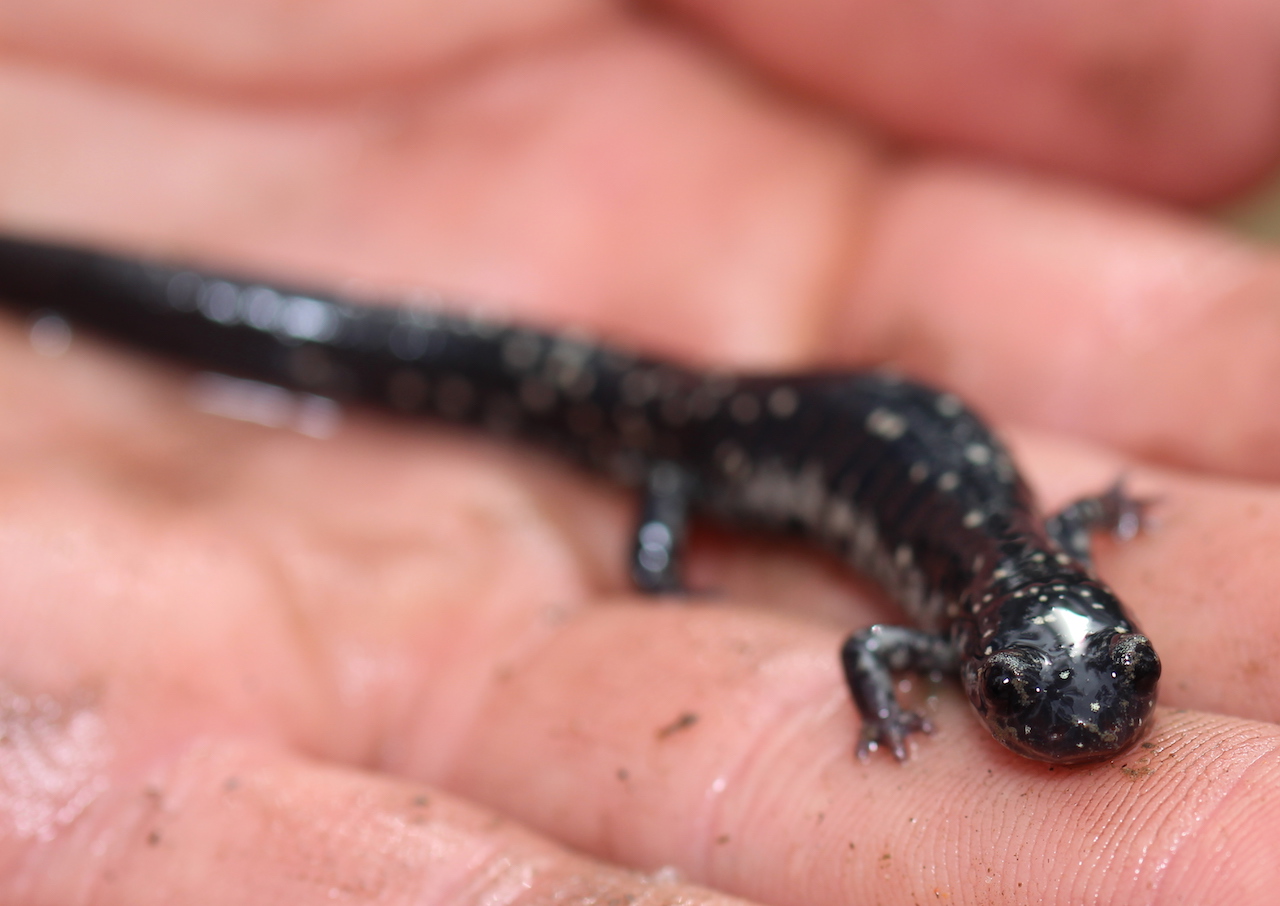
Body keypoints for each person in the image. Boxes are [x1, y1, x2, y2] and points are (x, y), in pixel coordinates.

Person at [1, 1, 1278, 902]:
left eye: (1121, 672)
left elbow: (874, 638)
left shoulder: (989, 588)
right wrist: (661, 583)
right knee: (608, 434)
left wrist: (1080, 528)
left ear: (1102, 615)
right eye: (1012, 697)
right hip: (714, 437)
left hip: (794, 421)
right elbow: (863, 648)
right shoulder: (964, 603)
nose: (1085, 722)